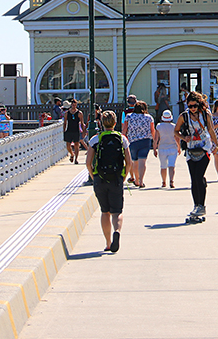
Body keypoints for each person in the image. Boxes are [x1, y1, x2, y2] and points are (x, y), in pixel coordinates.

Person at [86, 110, 132, 253]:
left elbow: (88, 163)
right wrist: (124, 176)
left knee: (104, 211)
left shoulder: (96, 139)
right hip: (116, 178)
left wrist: (94, 176)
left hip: (100, 178)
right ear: (115, 122)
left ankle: (107, 242)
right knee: (117, 211)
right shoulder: (121, 138)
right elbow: (129, 162)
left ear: (100, 122)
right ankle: (117, 231)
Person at [174, 92, 218, 219]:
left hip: (204, 148)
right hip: (191, 149)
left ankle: (201, 206)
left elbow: (211, 129)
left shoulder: (205, 114)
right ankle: (196, 205)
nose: (193, 108)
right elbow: (175, 131)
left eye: (195, 106)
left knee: (199, 175)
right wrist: (183, 137)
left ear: (199, 105)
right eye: (190, 106)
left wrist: (216, 144)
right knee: (194, 178)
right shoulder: (184, 116)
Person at [122, 100, 155, 187]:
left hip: (133, 141)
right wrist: (155, 141)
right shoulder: (149, 118)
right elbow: (152, 130)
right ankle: (141, 180)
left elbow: (125, 129)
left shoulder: (129, 117)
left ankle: (136, 180)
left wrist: (122, 139)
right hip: (145, 141)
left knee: (134, 161)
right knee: (142, 161)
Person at [153, 109, 180, 188]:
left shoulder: (159, 126)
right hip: (172, 147)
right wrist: (179, 147)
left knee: (163, 166)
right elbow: (177, 138)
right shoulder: (174, 126)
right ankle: (171, 181)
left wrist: (155, 148)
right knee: (172, 165)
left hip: (162, 148)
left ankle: (163, 182)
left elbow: (156, 138)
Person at [63, 99, 84, 163]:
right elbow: (65, 122)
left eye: (75, 105)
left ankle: (76, 159)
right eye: (72, 105)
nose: (74, 106)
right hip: (69, 130)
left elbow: (82, 123)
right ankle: (72, 154)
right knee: (68, 145)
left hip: (76, 130)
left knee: (76, 145)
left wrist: (83, 131)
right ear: (71, 105)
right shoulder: (67, 113)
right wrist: (64, 130)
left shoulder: (79, 113)